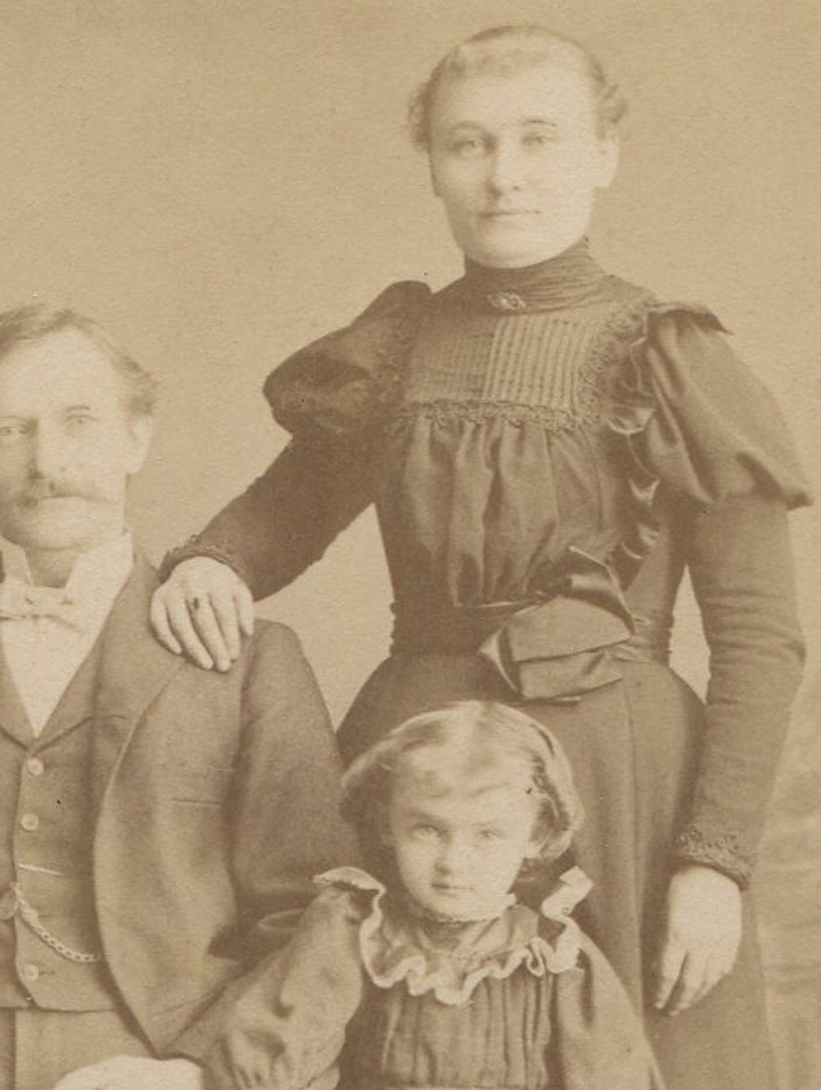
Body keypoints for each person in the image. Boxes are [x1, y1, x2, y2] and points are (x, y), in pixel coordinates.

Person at [150, 25, 809, 1090]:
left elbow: (760, 642)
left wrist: (712, 864)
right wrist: (213, 562)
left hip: (623, 788)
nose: (504, 176)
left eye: (539, 139)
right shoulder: (397, 347)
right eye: (469, 144)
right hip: (419, 772)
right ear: (434, 164)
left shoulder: (671, 357)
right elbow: (287, 511)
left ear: (604, 154)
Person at [0, 305, 357, 1090]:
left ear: (137, 438)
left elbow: (316, 915)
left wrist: (197, 1072)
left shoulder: (253, 663)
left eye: (79, 421)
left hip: (154, 1065)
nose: (46, 461)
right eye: (8, 430)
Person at [207, 701, 664, 1090]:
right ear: (386, 824)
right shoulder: (353, 931)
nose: (453, 862)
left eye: (487, 835)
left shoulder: (556, 955)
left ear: (536, 836)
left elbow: (617, 1077)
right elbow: (274, 1053)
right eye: (428, 829)